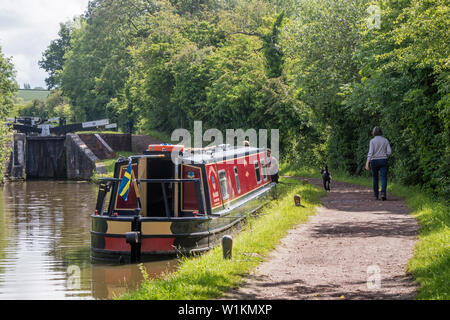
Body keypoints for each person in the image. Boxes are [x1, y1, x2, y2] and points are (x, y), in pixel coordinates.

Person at [365, 126, 391, 200]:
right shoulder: (385, 140)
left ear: (374, 132)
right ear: (381, 132)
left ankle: (376, 195)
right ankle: (383, 193)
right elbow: (389, 152)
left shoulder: (372, 141)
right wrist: (384, 154)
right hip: (383, 160)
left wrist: (367, 163)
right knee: (383, 177)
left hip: (374, 161)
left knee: (375, 178)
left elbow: (370, 152)